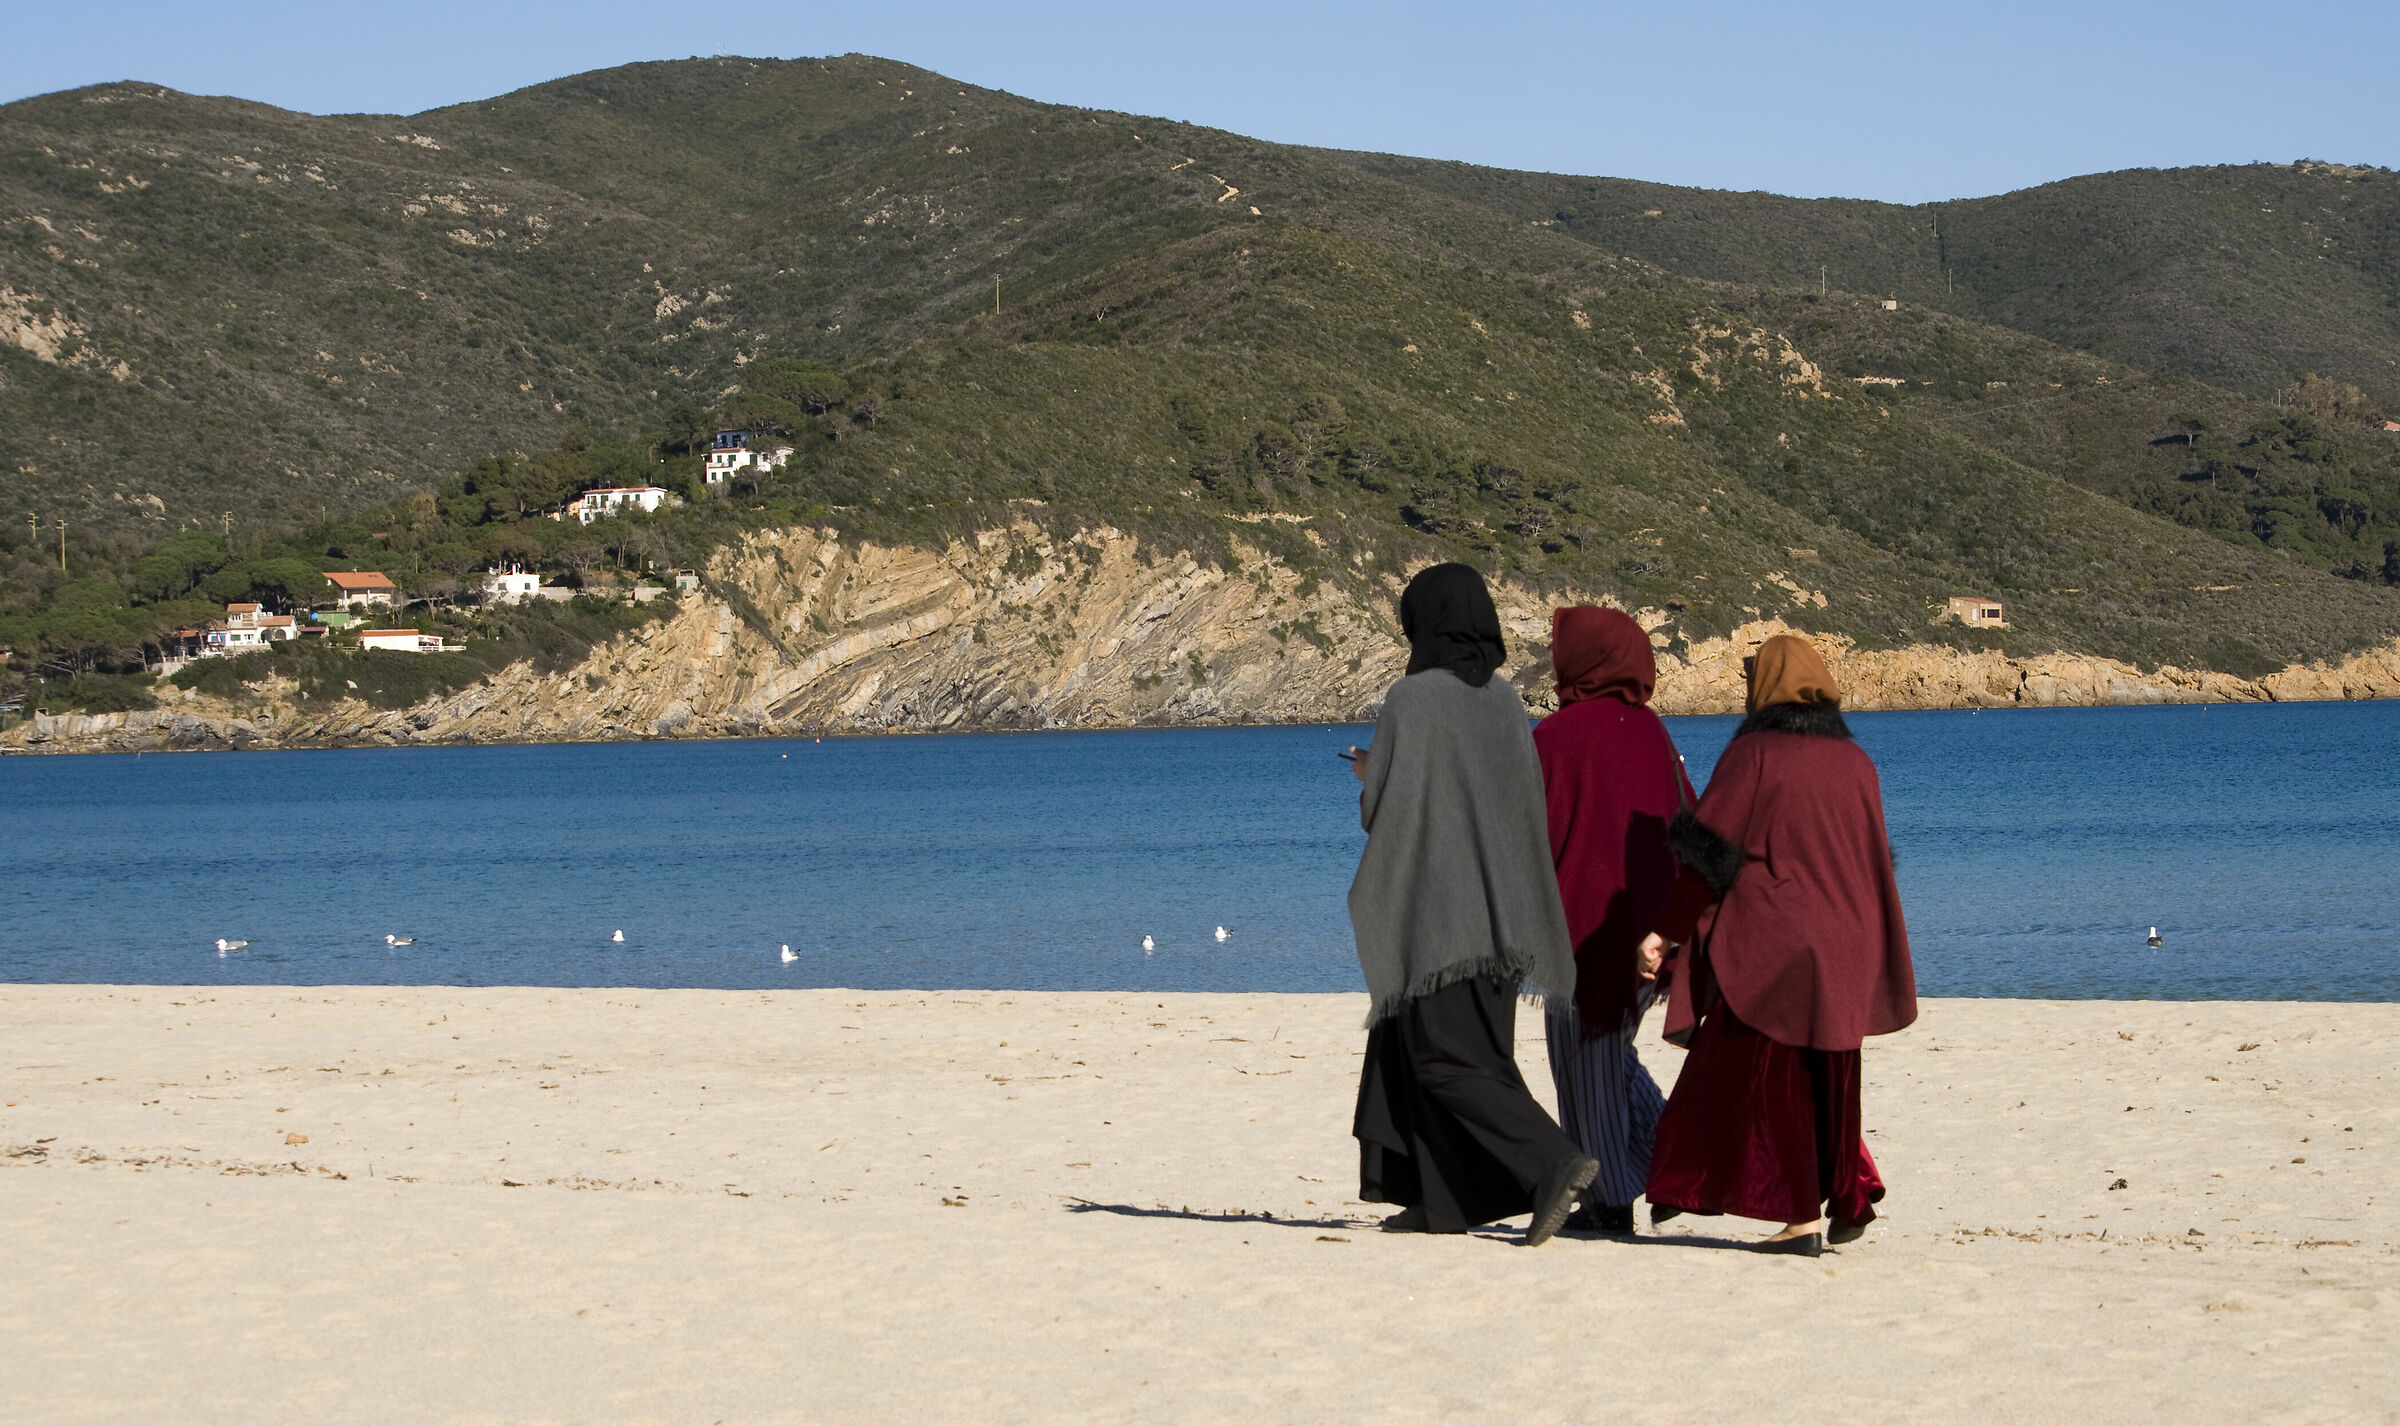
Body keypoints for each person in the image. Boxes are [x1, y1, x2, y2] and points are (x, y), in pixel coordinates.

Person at [1346, 563, 1599, 1245]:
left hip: (1440, 915)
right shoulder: (1507, 703)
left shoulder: (1413, 699)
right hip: (1505, 913)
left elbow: (1387, 813)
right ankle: (1446, 1202)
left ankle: (1555, 1162)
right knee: (1448, 1050)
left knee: (1446, 1061)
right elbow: (1518, 808)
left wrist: (1371, 773)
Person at [1641, 634, 1916, 1256]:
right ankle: (1848, 1200)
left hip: (1776, 944)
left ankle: (1799, 1218)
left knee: (1776, 1081)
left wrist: (1665, 931)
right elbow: (1874, 861)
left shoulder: (1754, 754)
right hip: (1851, 940)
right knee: (1835, 1075)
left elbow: (1706, 854)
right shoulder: (1857, 761)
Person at [1531, 606, 1694, 1236]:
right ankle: (1666, 1163)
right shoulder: (1652, 733)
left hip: (1583, 931)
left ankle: (1610, 1200)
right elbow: (1688, 821)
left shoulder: (1557, 737)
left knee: (1584, 1066)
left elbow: (1528, 836)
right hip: (1651, 929)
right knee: (1605, 1060)